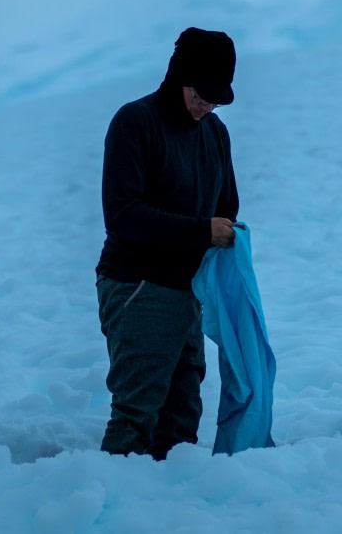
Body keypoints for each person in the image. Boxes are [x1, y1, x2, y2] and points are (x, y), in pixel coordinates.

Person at [95, 27, 243, 459]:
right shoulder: (136, 122)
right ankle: (108, 509)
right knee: (137, 412)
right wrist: (202, 231)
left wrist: (229, 234)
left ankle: (165, 510)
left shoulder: (215, 133)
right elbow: (122, 216)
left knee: (182, 416)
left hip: (188, 292)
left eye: (216, 98)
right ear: (178, 76)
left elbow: (225, 207)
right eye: (200, 93)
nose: (206, 105)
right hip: (138, 287)